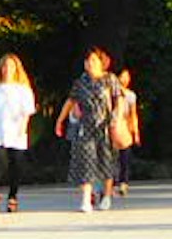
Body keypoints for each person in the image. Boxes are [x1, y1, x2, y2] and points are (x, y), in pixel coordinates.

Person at [59, 48, 122, 213]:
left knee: (106, 161)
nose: (90, 63)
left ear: (102, 62)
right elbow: (70, 101)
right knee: (86, 162)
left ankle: (107, 196)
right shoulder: (80, 82)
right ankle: (86, 199)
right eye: (87, 61)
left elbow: (119, 99)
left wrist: (117, 117)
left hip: (106, 126)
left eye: (94, 60)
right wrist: (60, 120)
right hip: (85, 126)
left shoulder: (110, 79)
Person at [0, 53, 36, 212]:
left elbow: (27, 112)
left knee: (16, 166)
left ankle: (13, 196)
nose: (7, 69)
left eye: (10, 66)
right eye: (4, 66)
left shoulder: (23, 90)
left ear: (16, 69)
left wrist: (23, 128)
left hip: (16, 132)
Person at [109, 69, 144, 202]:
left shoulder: (131, 96)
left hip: (124, 126)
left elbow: (133, 114)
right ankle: (110, 184)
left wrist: (135, 132)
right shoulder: (110, 92)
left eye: (127, 76)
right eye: (122, 76)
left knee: (125, 157)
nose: (125, 79)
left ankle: (123, 183)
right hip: (111, 126)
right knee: (111, 157)